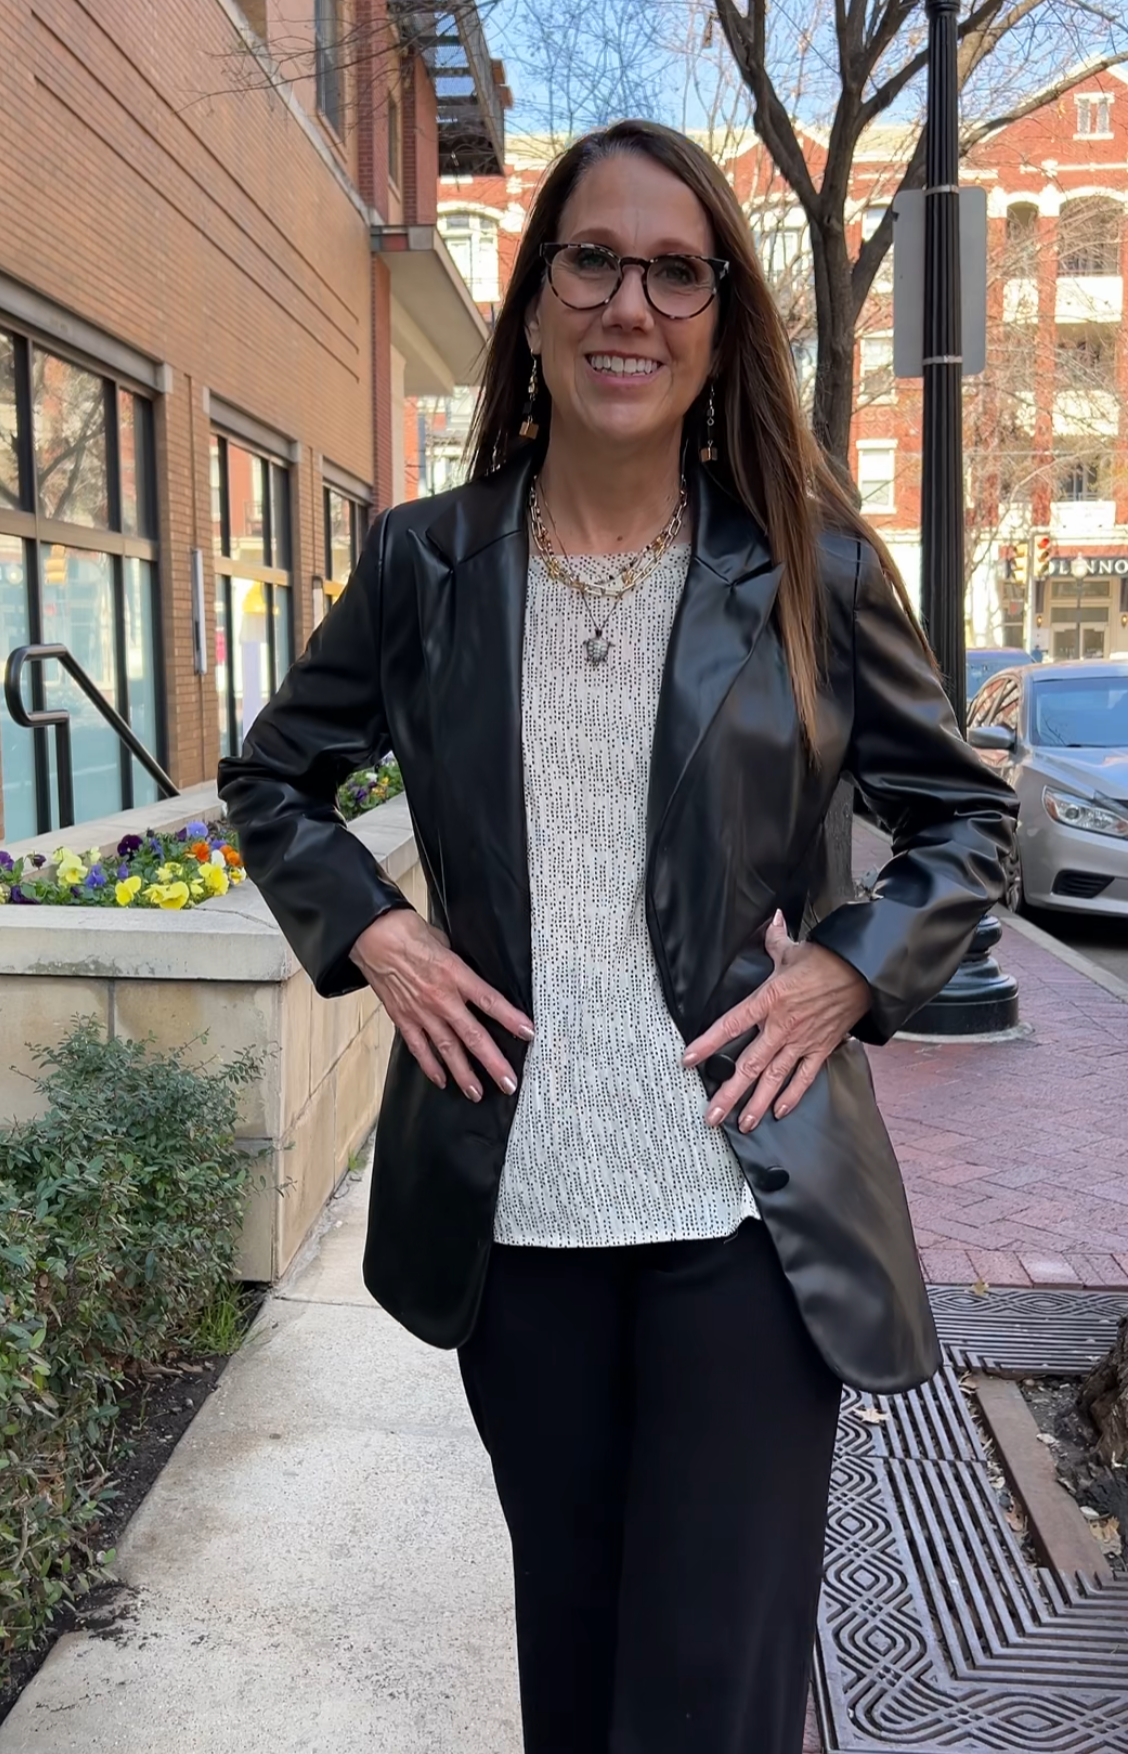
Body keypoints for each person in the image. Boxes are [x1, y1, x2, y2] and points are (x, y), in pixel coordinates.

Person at [218, 120, 1017, 1754]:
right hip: (517, 1226)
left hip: (746, 1218)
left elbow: (963, 819)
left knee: (704, 1707)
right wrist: (374, 933)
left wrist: (850, 962)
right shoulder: (426, 565)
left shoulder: (806, 566)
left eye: (674, 271)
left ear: (719, 316)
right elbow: (273, 777)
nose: (627, 306)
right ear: (534, 300)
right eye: (592, 260)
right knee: (573, 1691)